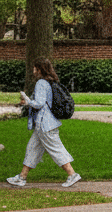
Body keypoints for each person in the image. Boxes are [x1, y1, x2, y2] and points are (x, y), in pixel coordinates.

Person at [8, 58, 80, 188]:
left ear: (40, 69)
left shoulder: (41, 83)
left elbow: (39, 103)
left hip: (45, 125)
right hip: (45, 124)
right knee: (32, 149)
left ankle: (72, 174)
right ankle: (22, 177)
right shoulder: (49, 82)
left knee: (56, 149)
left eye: (35, 68)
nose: (33, 70)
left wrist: (28, 101)